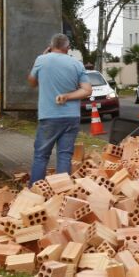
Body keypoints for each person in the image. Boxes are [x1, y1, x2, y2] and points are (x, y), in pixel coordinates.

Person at [27, 33, 92, 183]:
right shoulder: (76, 64)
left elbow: (32, 82)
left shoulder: (41, 60)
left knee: (41, 155)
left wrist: (40, 60)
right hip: (71, 117)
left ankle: (35, 192)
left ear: (50, 47)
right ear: (67, 48)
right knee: (65, 155)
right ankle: (62, 192)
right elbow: (87, 90)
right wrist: (68, 96)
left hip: (49, 116)